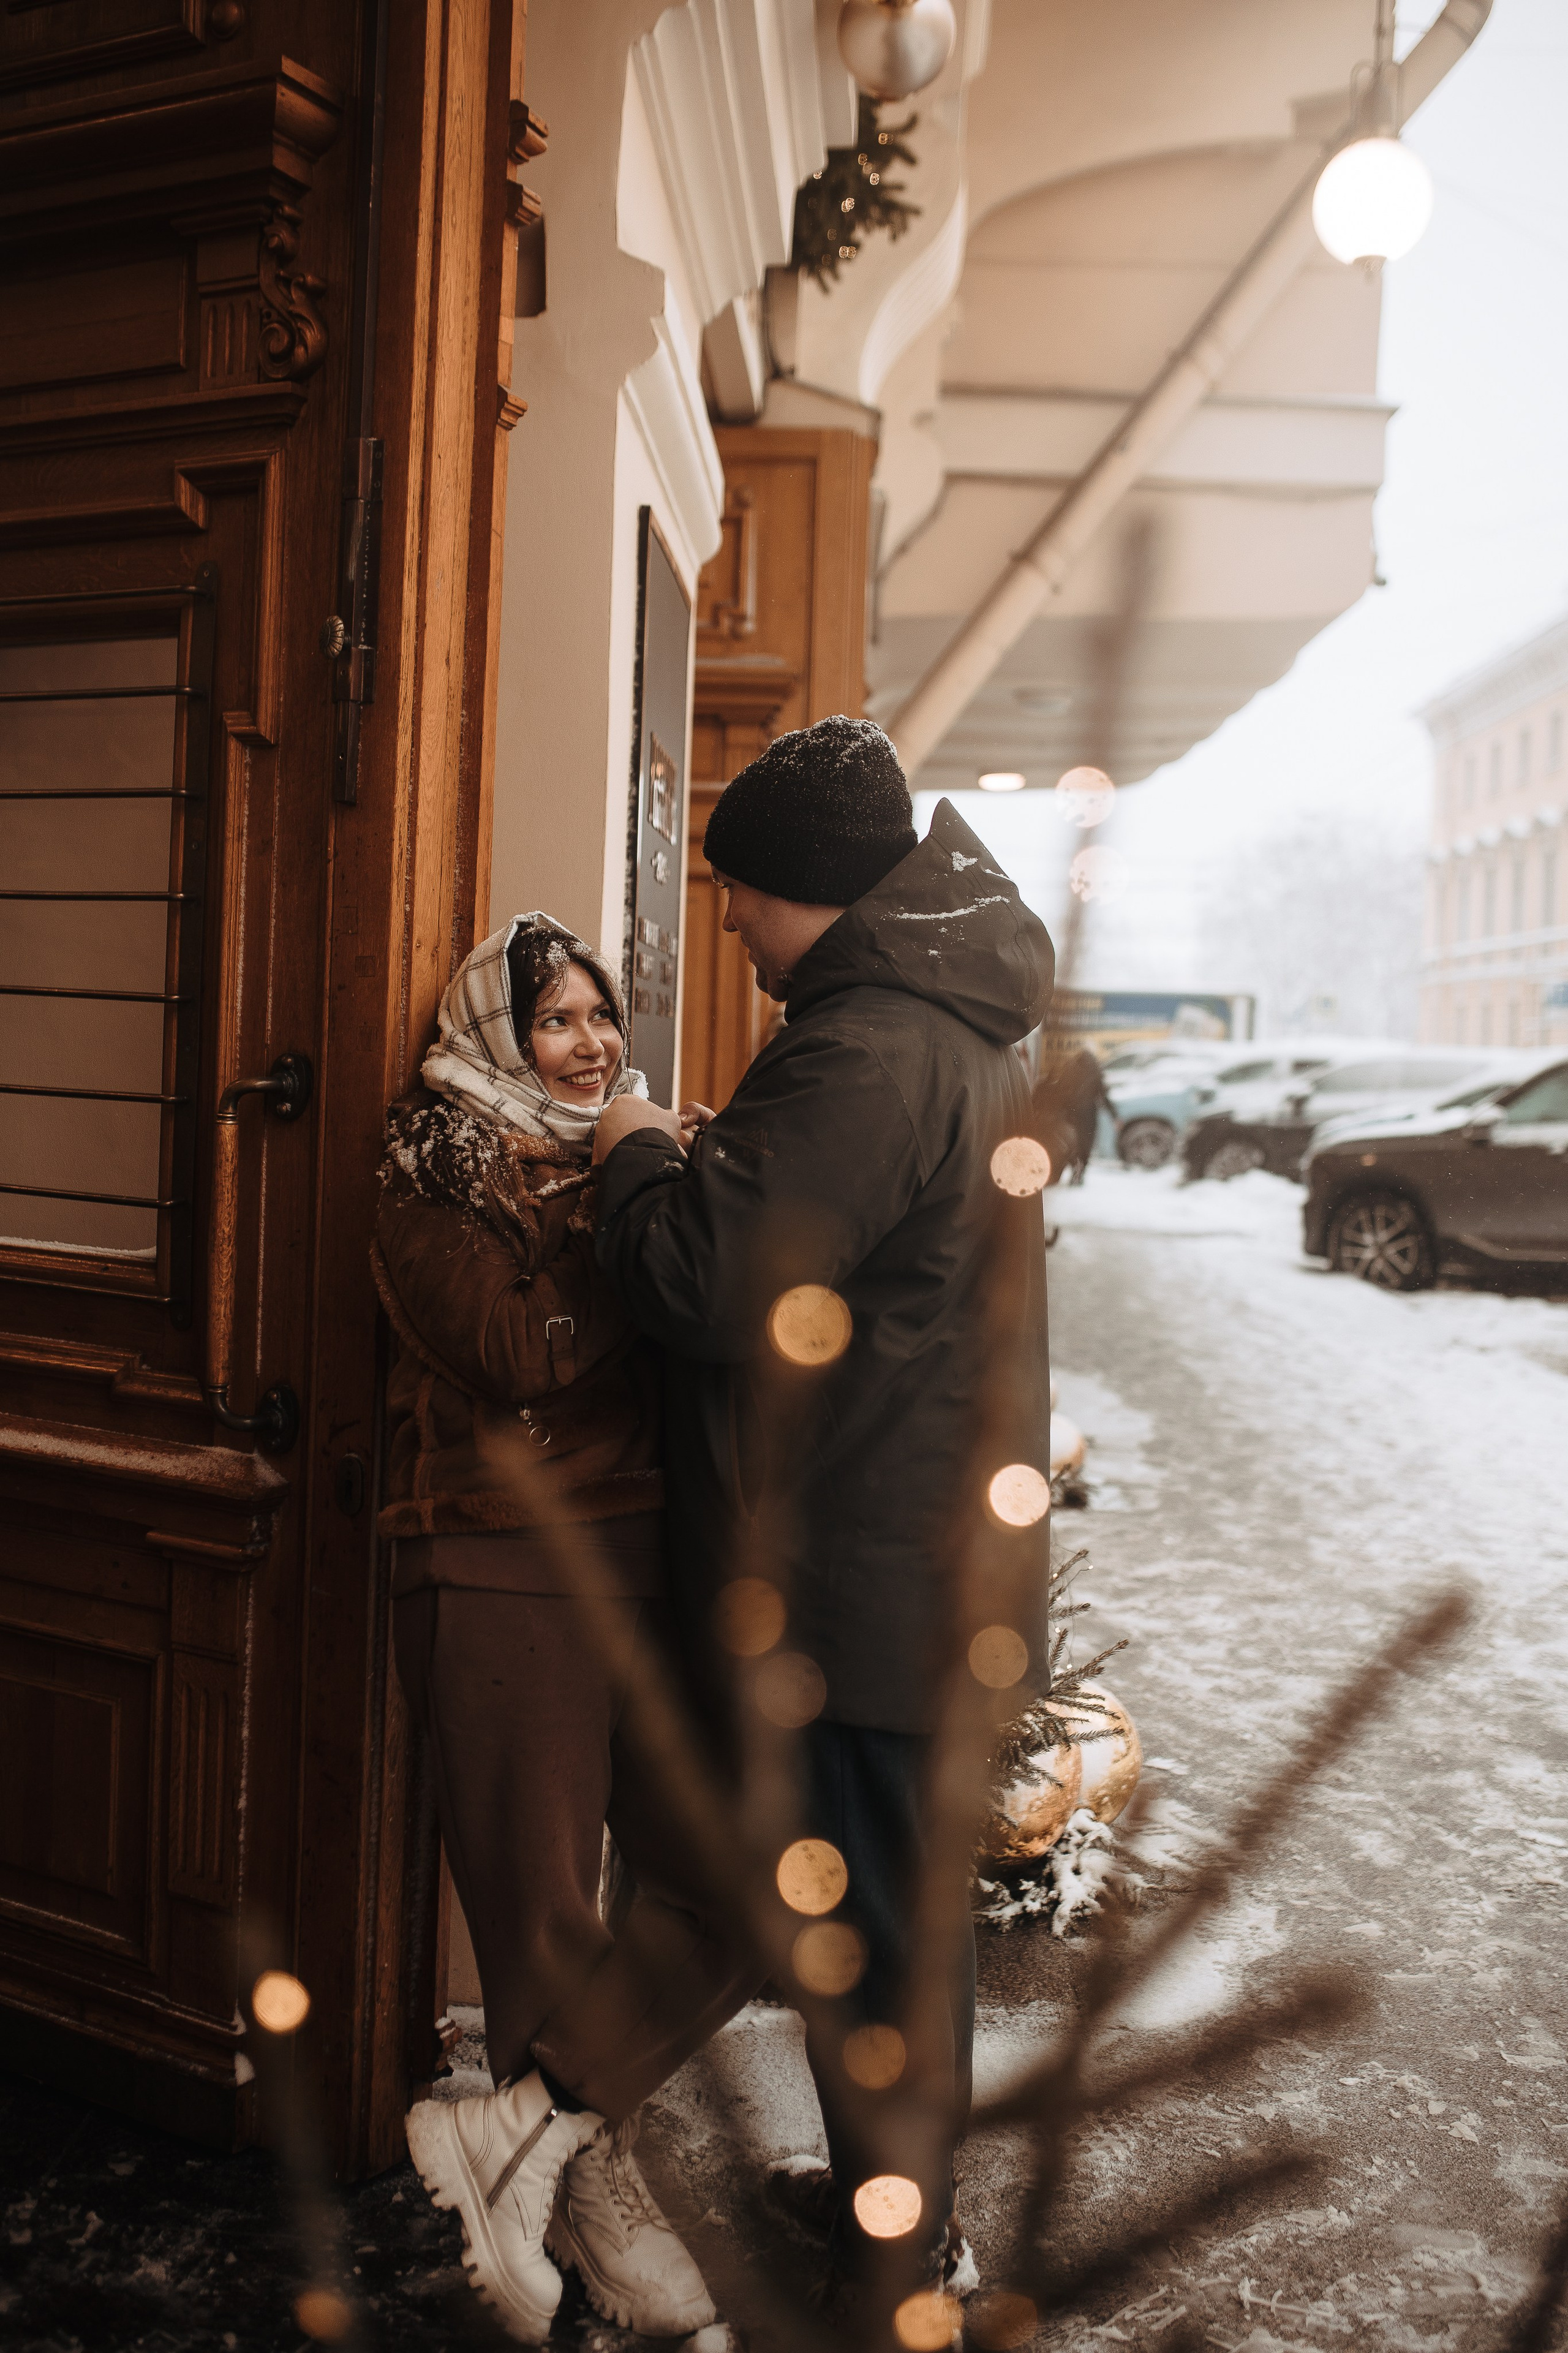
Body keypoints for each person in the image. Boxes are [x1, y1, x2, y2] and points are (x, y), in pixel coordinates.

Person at [592, 716, 1055, 2307]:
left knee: (868, 1940)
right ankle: (902, 2226)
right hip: (930, 1563)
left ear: (810, 889)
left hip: (866, 1578)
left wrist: (635, 1155)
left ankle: (889, 2267)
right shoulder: (954, 1022)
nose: (726, 921)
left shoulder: (866, 1044)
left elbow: (701, 1279)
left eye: (740, 892)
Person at [377, 912, 754, 2346]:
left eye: (602, 1016)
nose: (592, 1045)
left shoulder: (620, 1156)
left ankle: (529, 2133)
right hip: (496, 1557)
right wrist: (625, 1196)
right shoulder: (436, 1155)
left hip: (644, 1553)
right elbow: (511, 1345)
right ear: (495, 1035)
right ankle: (592, 2193)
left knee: (735, 1878)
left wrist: (671, 1190)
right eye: (556, 1021)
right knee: (544, 1920)